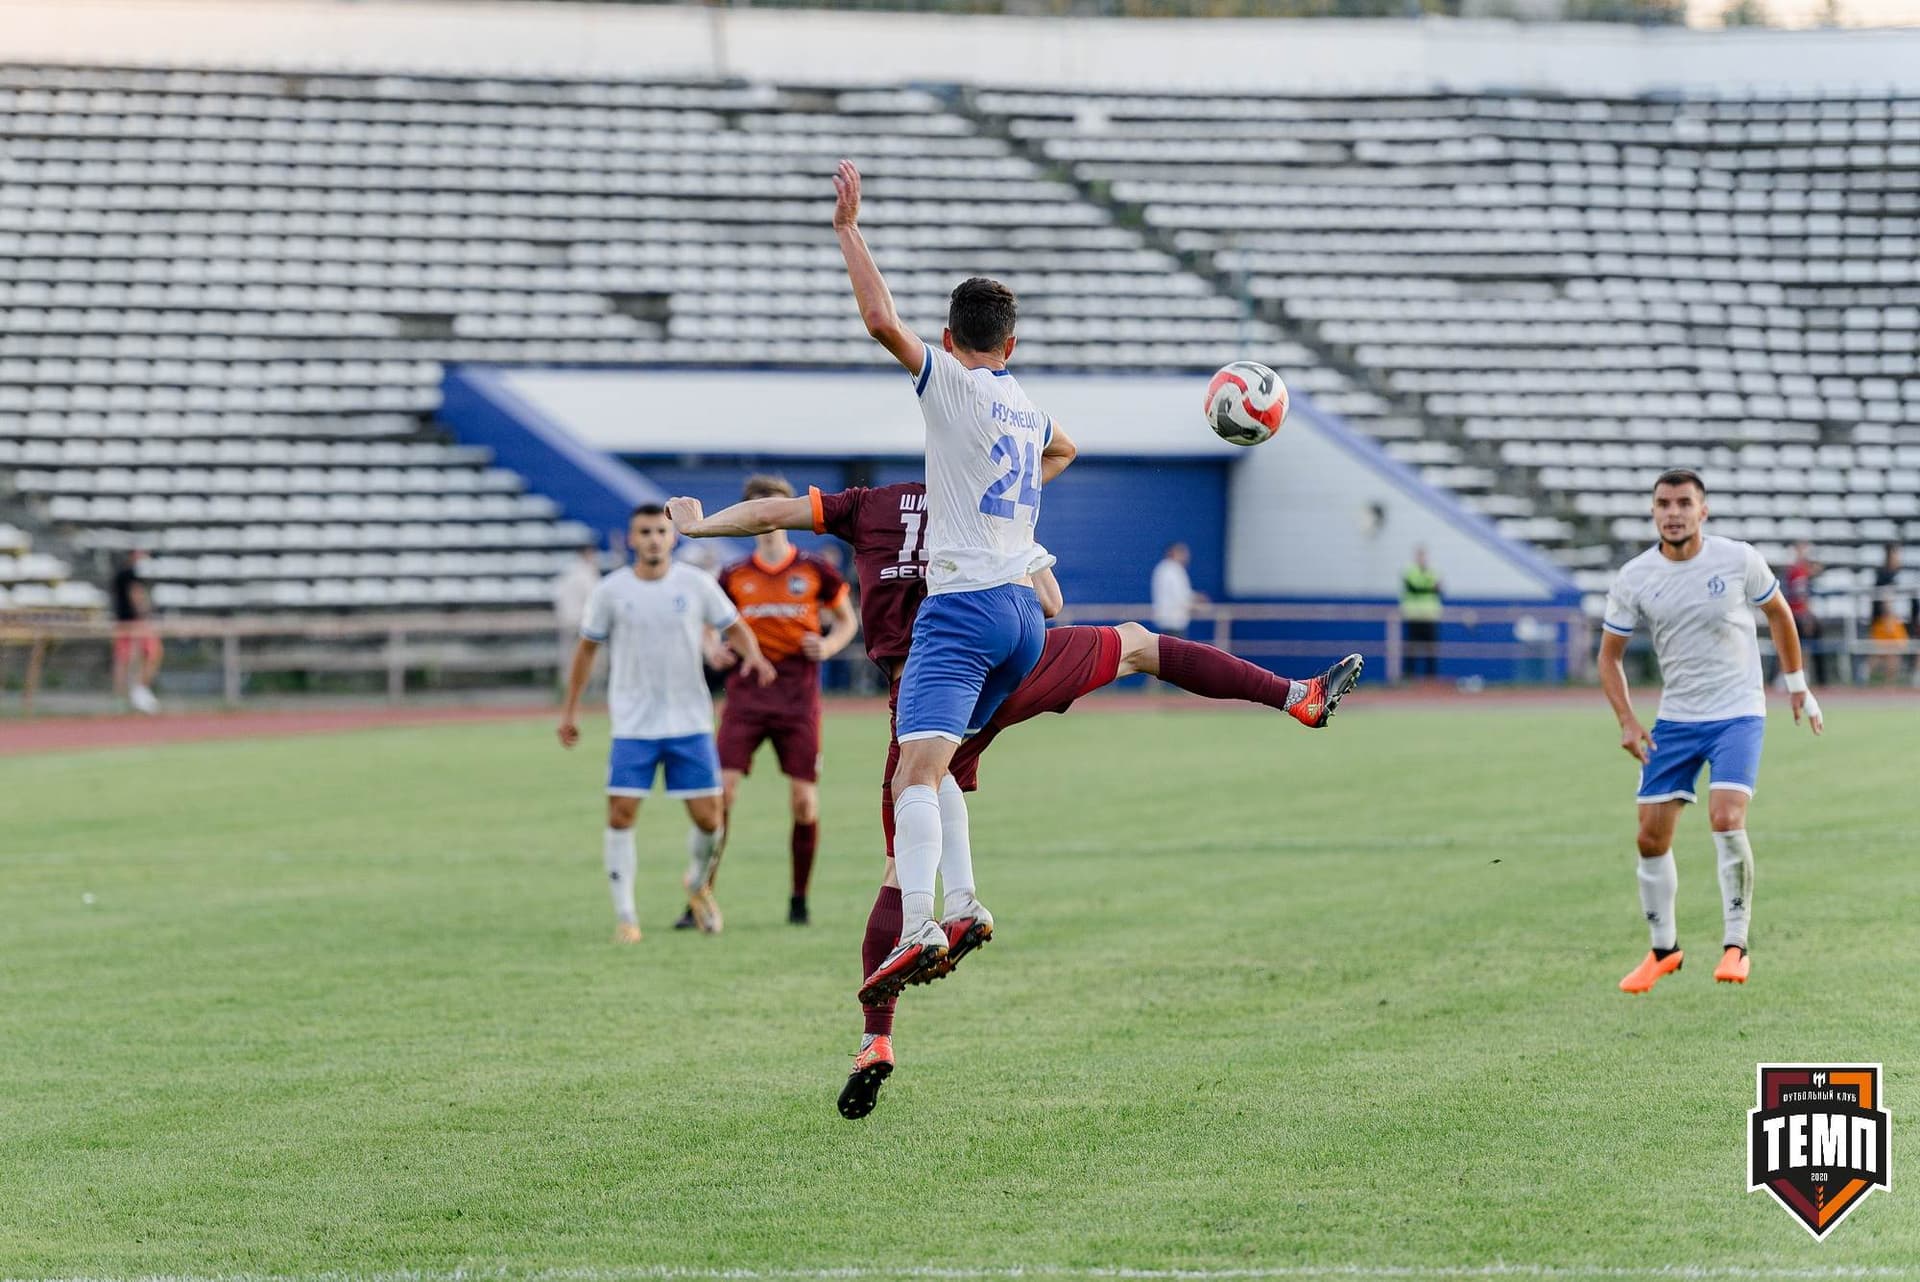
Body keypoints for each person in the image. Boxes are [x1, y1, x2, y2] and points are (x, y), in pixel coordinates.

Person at [665, 484, 1362, 1119]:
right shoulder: (987, 503)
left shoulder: (867, 506)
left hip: (926, 686)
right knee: (1139, 646)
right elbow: (1052, 603)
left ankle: (877, 1036)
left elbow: (769, 511)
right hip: (1010, 665)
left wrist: (698, 528)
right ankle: (1293, 696)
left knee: (905, 848)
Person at [831, 158, 1078, 1001]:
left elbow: (876, 319)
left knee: (910, 775)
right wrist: (1014, 518)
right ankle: (966, 902)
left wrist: (848, 230)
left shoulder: (957, 389)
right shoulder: (1022, 404)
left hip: (963, 609)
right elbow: (1064, 450)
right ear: (1012, 344)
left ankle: (920, 928)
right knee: (941, 766)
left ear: (950, 340)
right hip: (1022, 617)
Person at [1597, 469, 1823, 995]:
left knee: (1726, 816)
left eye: (1683, 503)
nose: (1672, 512)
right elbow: (1609, 657)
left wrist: (1797, 687)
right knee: (1649, 837)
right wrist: (1627, 720)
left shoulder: (1737, 558)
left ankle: (1735, 945)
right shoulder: (1634, 577)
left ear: (1703, 510)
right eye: (1663, 504)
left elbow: (1780, 615)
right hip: (1675, 718)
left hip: (1738, 712)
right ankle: (1663, 950)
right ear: (1653, 512)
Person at [556, 504, 775, 943]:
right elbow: (586, 651)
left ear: (673, 537)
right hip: (633, 725)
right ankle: (626, 916)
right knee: (621, 815)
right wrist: (571, 710)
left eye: (661, 530)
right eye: (645, 532)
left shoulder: (695, 584)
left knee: (711, 821)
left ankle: (696, 885)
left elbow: (733, 625)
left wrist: (754, 657)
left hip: (689, 722)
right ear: (631, 539)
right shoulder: (611, 590)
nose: (654, 538)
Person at [706, 474, 860, 926]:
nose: (768, 520)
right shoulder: (732, 575)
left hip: (798, 695)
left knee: (804, 804)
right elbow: (704, 618)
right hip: (746, 692)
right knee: (721, 797)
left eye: (775, 509)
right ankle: (702, 892)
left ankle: (798, 899)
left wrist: (829, 646)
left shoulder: (815, 569)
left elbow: (846, 620)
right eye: (758, 510)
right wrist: (709, 647)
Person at [110, 549, 161, 715]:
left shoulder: (119, 575)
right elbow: (136, 596)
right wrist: (145, 612)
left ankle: (122, 698)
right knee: (152, 653)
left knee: (123, 660)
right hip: (134, 623)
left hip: (121, 622)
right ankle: (139, 691)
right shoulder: (131, 574)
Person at [552, 543, 603, 697]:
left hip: (566, 620)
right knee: (589, 658)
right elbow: (595, 599)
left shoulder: (567, 571)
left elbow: (556, 595)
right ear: (587, 554)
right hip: (583, 623)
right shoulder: (586, 573)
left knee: (568, 657)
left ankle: (565, 691)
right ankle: (588, 691)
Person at [1781, 540, 1826, 685]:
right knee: (1800, 646)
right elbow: (1801, 597)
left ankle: (1800, 676)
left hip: (1795, 614)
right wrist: (1807, 616)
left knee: (1799, 646)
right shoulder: (1798, 572)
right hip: (1797, 615)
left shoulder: (1797, 571)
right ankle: (1796, 676)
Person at [1399, 545, 1442, 679]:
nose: (1422, 559)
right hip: (1414, 616)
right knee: (1411, 647)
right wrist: (1429, 586)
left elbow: (1438, 588)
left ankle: (1431, 678)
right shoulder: (1409, 572)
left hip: (1430, 616)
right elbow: (1413, 588)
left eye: (1423, 556)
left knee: (1431, 648)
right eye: (1419, 556)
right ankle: (1409, 676)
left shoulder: (1433, 572)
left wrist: (1426, 587)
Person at [1150, 542, 1201, 639]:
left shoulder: (1166, 568)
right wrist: (1195, 604)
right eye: (1183, 552)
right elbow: (1179, 596)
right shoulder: (1171, 569)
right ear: (1174, 552)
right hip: (1172, 620)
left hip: (1171, 619)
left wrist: (1194, 598)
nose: (1186, 556)